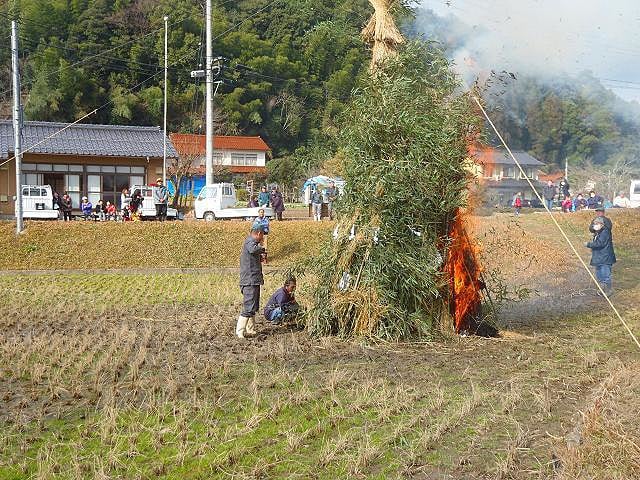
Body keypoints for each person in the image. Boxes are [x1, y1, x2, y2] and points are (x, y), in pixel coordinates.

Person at [236, 227, 266, 339]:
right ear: (258, 233)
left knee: (253, 306)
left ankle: (251, 329)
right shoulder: (250, 242)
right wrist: (262, 249)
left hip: (253, 280)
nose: (263, 237)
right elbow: (253, 249)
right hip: (249, 280)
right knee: (249, 306)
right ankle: (239, 331)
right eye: (262, 235)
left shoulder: (251, 243)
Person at [584, 216, 616, 296]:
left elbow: (600, 243)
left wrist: (589, 244)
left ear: (601, 224)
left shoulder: (605, 232)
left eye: (597, 224)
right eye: (594, 224)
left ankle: (608, 290)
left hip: (605, 257)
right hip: (599, 258)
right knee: (599, 275)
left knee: (605, 275)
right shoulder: (598, 232)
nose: (595, 225)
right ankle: (602, 289)